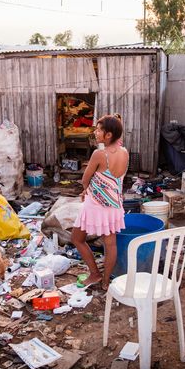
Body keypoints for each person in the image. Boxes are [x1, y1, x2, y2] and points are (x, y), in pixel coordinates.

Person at [71, 115, 129, 291]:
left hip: (96, 206)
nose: (95, 132)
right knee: (110, 244)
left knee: (77, 239)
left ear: (108, 134)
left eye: (98, 129)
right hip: (114, 205)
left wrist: (86, 189)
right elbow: (114, 178)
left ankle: (95, 273)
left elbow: (85, 179)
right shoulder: (124, 152)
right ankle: (105, 282)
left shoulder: (99, 154)